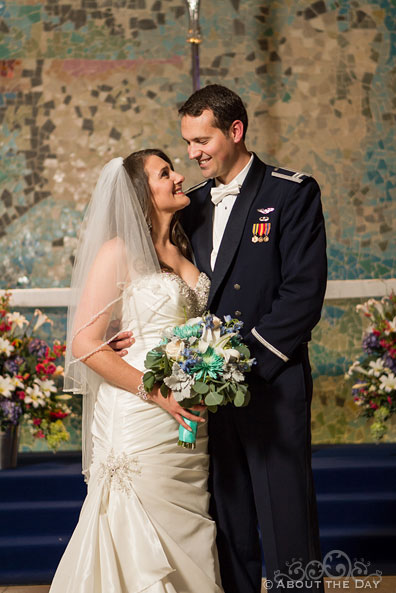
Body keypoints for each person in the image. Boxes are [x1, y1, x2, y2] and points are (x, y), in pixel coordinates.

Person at [114, 85, 327, 593]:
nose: (192, 153)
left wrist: (235, 365)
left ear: (235, 131)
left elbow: (301, 296)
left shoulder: (291, 193)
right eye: (187, 142)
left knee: (287, 526)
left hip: (271, 387)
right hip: (208, 399)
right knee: (228, 530)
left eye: (201, 140)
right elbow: (154, 268)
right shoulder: (194, 204)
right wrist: (133, 332)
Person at [49, 149, 224, 593]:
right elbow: (84, 343)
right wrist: (158, 394)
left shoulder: (187, 246)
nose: (179, 177)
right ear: (141, 194)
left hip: (187, 422)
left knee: (190, 534)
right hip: (140, 414)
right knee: (136, 534)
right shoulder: (119, 251)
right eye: (165, 174)